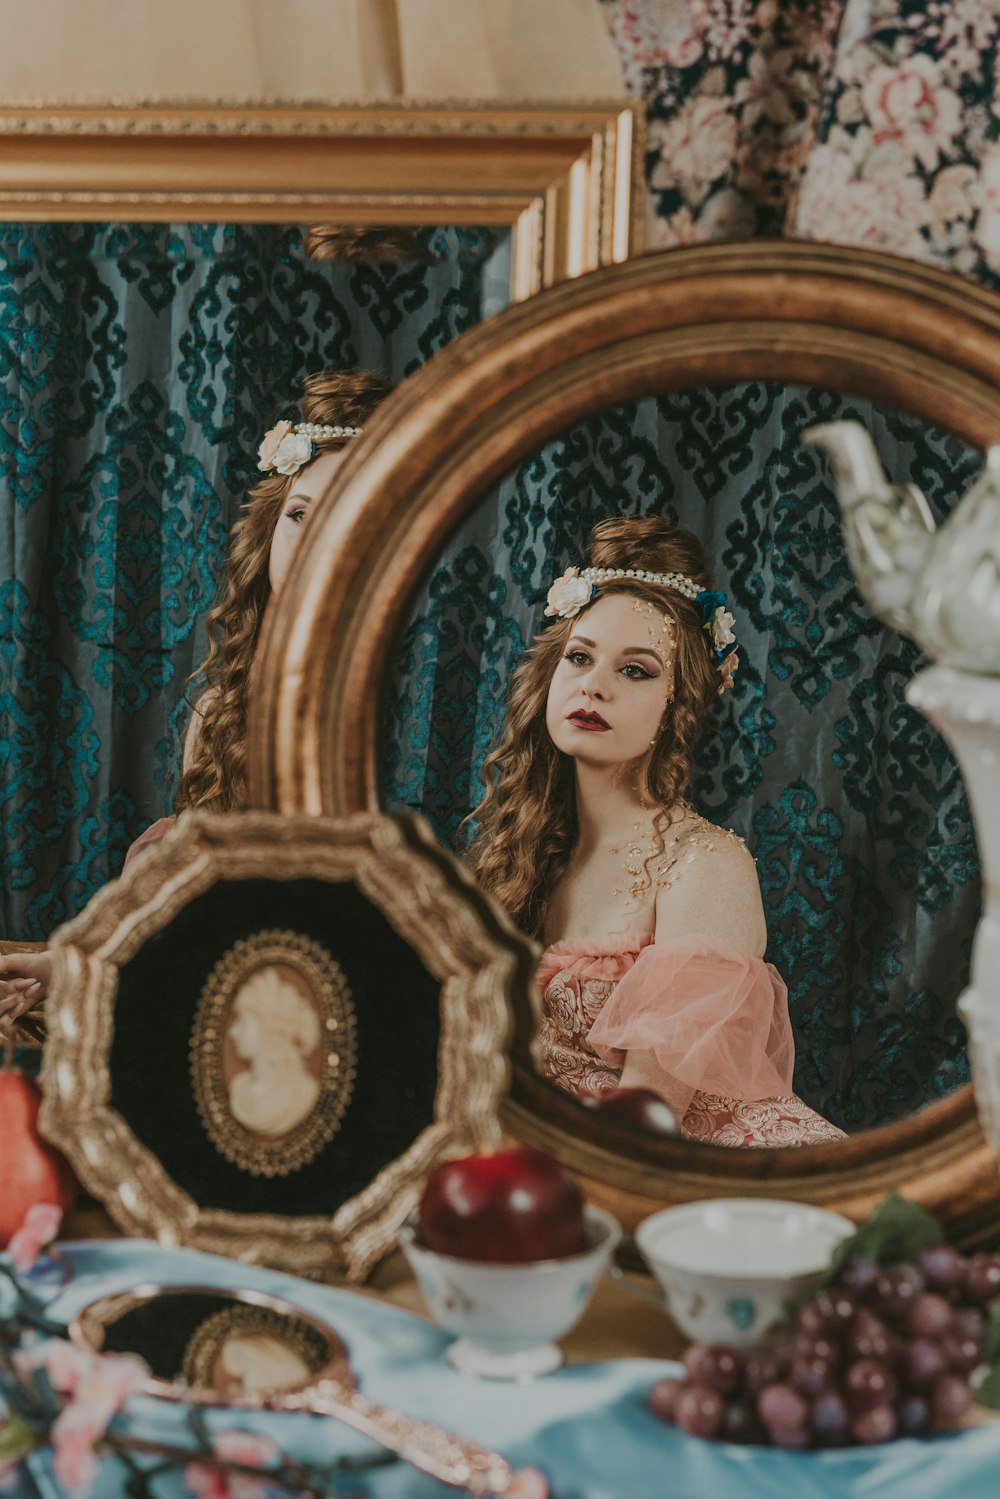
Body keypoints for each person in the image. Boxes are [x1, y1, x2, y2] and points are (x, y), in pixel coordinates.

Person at [0, 368, 392, 1031]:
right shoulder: (223, 702)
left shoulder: (359, 708)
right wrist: (65, 965)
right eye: (301, 515)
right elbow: (189, 896)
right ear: (271, 529)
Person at [468, 515, 845, 1147]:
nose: (594, 685)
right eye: (580, 658)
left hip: (692, 1172)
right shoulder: (525, 852)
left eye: (635, 670)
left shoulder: (704, 864)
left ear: (680, 703)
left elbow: (646, 1121)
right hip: (556, 1160)